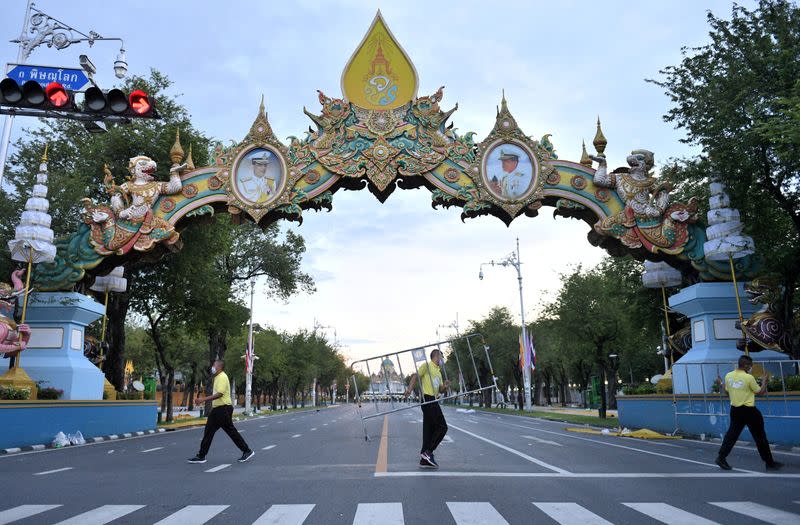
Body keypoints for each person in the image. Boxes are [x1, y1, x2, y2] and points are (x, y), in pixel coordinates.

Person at [714, 355, 781, 471]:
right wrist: (765, 381)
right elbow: (760, 392)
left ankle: (721, 457)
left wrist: (720, 384)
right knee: (760, 436)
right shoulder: (748, 378)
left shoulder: (728, 376)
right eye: (751, 365)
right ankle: (769, 463)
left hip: (735, 410)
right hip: (749, 411)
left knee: (731, 435)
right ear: (746, 365)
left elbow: (727, 393)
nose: (751, 368)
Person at [188, 359, 254, 464]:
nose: (212, 367)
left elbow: (220, 394)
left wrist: (203, 400)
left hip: (223, 409)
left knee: (230, 431)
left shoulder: (222, 377)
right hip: (218, 410)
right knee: (209, 431)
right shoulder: (217, 377)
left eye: (214, 365)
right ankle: (201, 456)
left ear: (219, 367)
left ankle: (247, 450)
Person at [404, 349, 450, 469]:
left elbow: (440, 389)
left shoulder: (438, 372)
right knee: (442, 427)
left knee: (429, 429)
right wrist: (409, 389)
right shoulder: (427, 366)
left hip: (434, 399)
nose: (443, 360)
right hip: (427, 399)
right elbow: (415, 377)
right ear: (437, 356)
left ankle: (424, 460)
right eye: (442, 357)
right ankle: (428, 452)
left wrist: (444, 387)